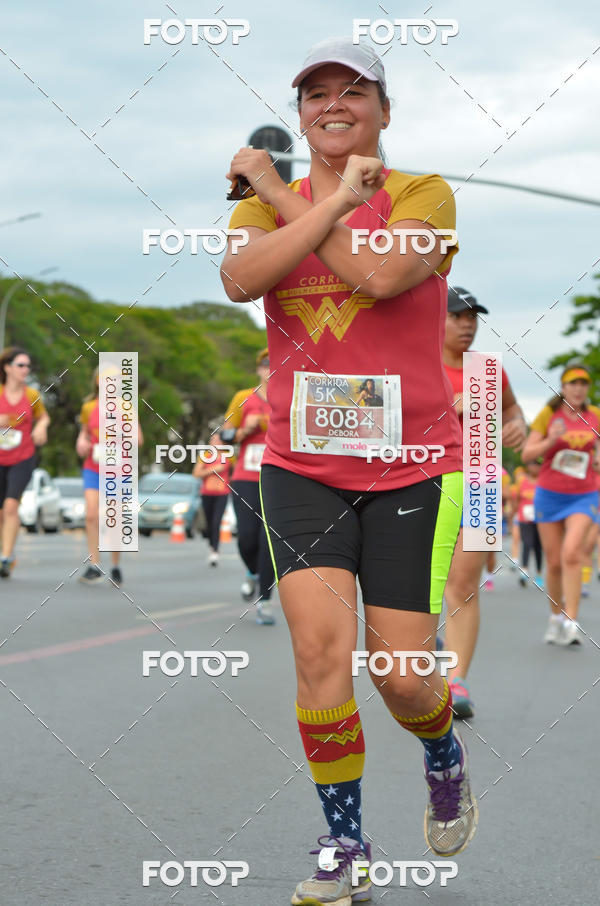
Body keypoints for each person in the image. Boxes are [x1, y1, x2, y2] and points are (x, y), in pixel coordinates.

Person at [222, 37, 477, 904]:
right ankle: (345, 845)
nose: (333, 104)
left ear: (384, 110)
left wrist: (283, 191)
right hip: (302, 467)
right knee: (319, 653)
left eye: (353, 91)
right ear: (300, 115)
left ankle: (441, 751)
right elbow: (240, 279)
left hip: (412, 468)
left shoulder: (425, 193)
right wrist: (312, 199)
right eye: (316, 94)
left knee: (400, 675)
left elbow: (382, 274)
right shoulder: (265, 207)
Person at [442, 286, 526, 718]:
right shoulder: (416, 363)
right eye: (457, 315)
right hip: (424, 481)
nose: (467, 324)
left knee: (463, 585)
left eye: (473, 317)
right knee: (417, 587)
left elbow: (513, 411)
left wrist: (517, 426)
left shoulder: (488, 369)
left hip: (481, 483)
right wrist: (447, 408)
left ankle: (456, 681)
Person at [522, 364, 600, 645]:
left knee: (572, 553)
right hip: (550, 495)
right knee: (554, 563)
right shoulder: (548, 415)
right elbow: (527, 454)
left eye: (583, 383)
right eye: (573, 383)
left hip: (584, 494)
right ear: (563, 387)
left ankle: (571, 621)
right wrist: (551, 440)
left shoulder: (595, 415)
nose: (579, 388)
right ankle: (555, 617)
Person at [222, 349, 276, 625]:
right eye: (265, 365)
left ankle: (265, 601)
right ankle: (253, 573)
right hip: (245, 476)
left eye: (274, 364)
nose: (270, 369)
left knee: (270, 541)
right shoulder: (244, 397)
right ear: (258, 369)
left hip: (278, 478)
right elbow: (225, 434)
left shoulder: (288, 396)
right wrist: (245, 430)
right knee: (247, 536)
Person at [76, 367, 143, 586]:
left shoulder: (126, 407)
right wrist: (82, 441)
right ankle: (94, 565)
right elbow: (84, 433)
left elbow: (138, 439)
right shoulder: (89, 407)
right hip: (93, 466)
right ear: (97, 381)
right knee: (91, 515)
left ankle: (115, 565)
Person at [0, 347, 50, 577]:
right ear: (7, 367)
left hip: (23, 457)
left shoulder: (31, 395)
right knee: (2, 511)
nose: (25, 369)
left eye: (28, 366)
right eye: (20, 365)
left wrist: (41, 427)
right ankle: (6, 550)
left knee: (11, 506)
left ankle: (5, 558)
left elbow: (44, 417)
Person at [193, 426, 231, 566]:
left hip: (222, 494)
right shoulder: (206, 456)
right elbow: (196, 473)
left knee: (216, 522)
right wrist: (213, 469)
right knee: (209, 524)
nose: (215, 443)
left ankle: (215, 551)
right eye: (213, 440)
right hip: (207, 494)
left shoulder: (228, 456)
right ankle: (211, 543)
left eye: (218, 440)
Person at [513, 460, 543, 588]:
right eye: (531, 464)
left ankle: (539, 573)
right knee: (527, 543)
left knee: (538, 546)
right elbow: (516, 498)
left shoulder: (543, 481)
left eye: (536, 464)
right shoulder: (522, 481)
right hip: (524, 518)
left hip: (540, 519)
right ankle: (524, 571)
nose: (533, 467)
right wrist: (515, 513)